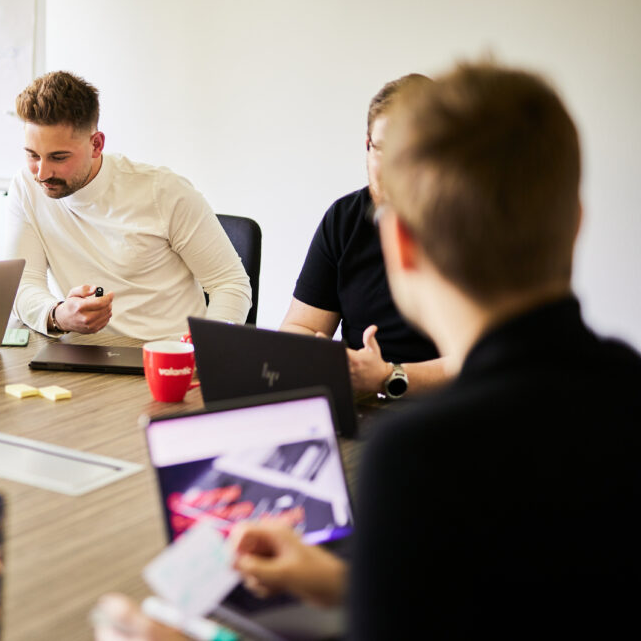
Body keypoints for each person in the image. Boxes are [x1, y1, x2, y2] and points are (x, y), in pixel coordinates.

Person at [96, 62, 641, 639]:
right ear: (577, 224)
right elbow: (508, 591)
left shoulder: (422, 457)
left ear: (399, 243)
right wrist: (338, 579)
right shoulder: (626, 388)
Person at [6, 71, 251, 341]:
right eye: (32, 155)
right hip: (80, 359)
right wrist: (58, 314)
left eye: (58, 157)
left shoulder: (164, 192)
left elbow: (230, 283)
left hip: (165, 360)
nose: (41, 173)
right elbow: (22, 284)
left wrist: (208, 347)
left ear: (96, 144)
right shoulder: (27, 186)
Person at [280, 74, 455, 398]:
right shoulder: (343, 219)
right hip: (361, 405)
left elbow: (485, 359)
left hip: (444, 411)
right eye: (383, 150)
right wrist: (318, 355)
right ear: (367, 144)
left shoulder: (470, 226)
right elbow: (300, 325)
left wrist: (390, 376)